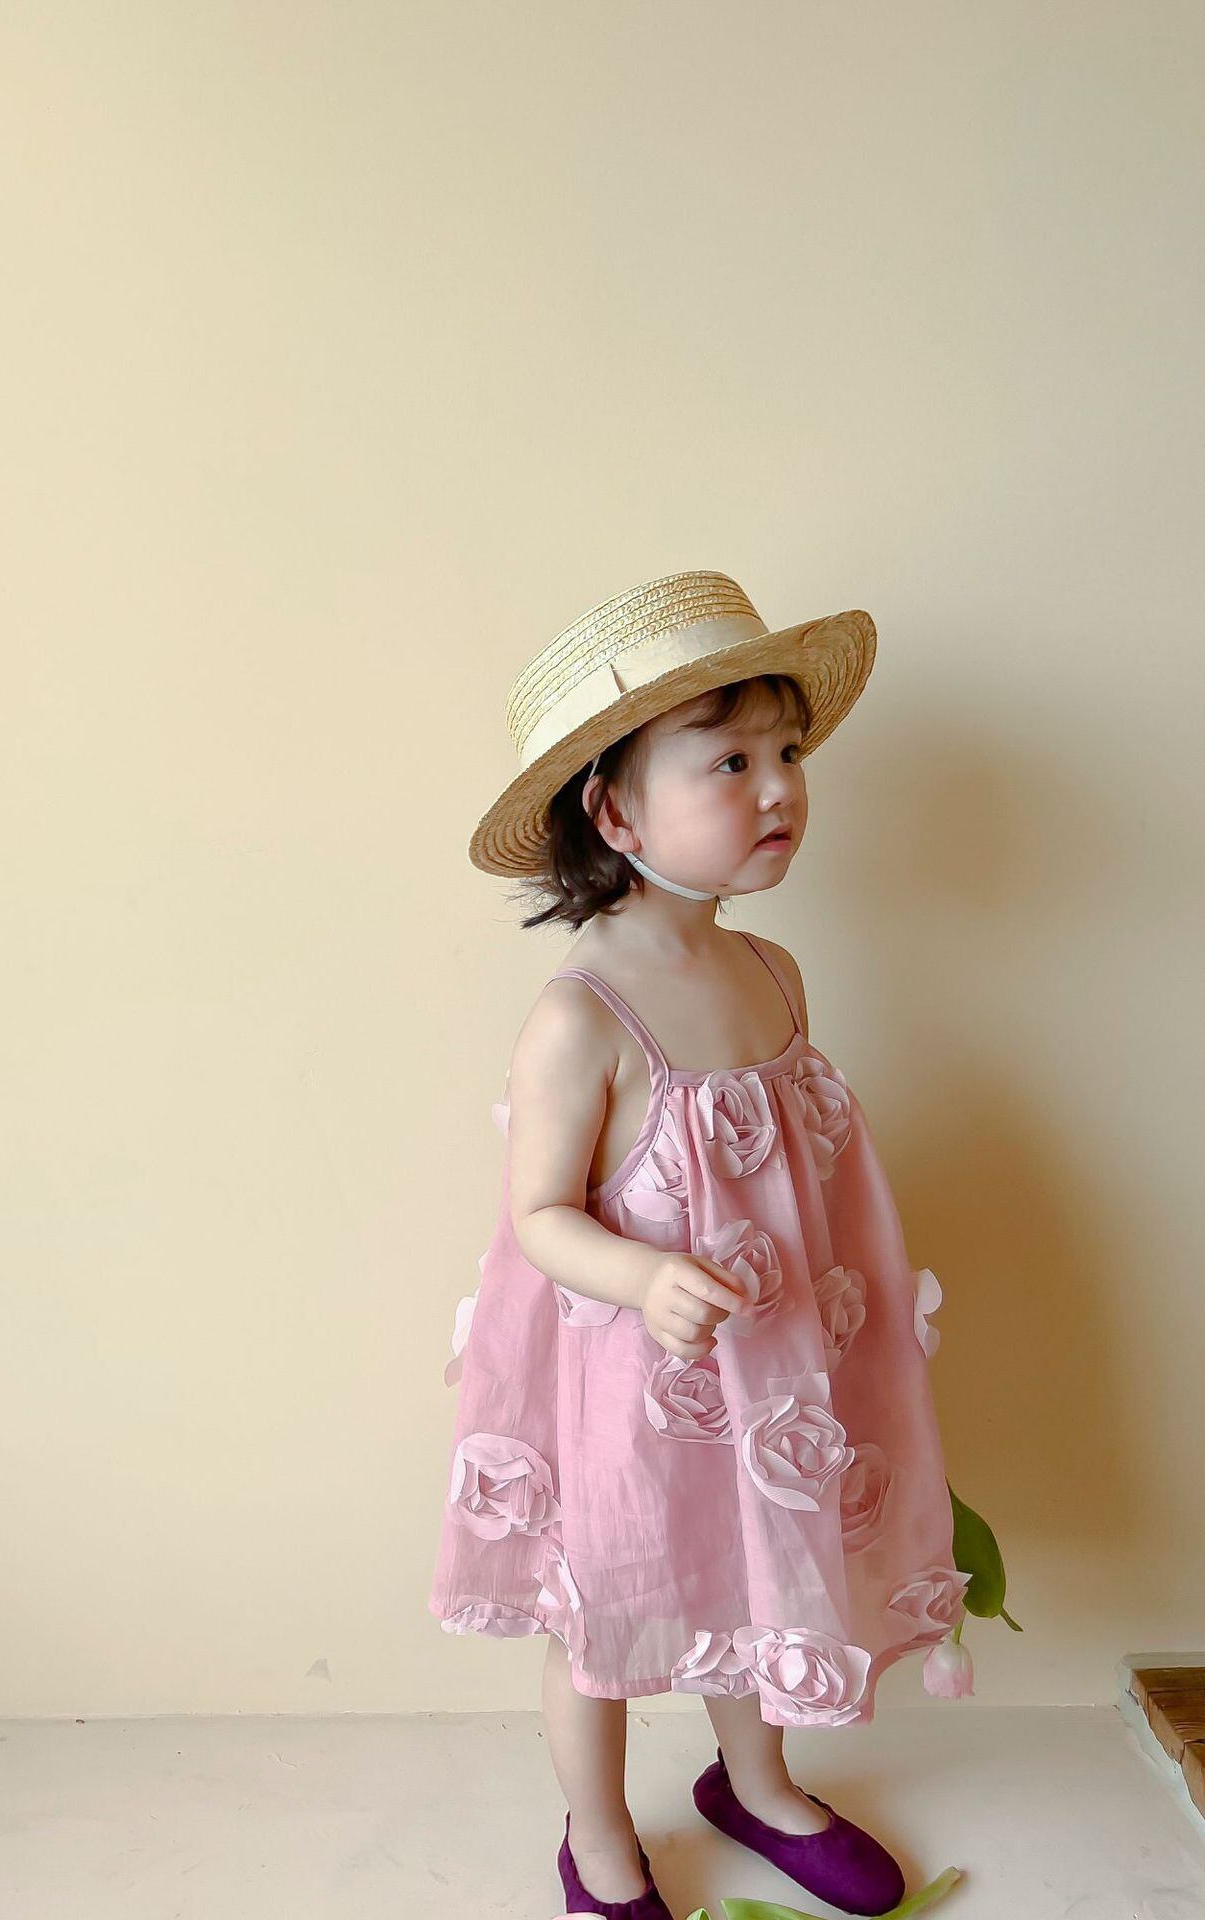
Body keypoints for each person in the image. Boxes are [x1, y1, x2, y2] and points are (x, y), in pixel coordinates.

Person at [428, 572, 967, 1920]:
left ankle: (755, 1780)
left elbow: (787, 1171)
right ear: (615, 815)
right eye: (730, 761)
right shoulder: (583, 1016)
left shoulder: (774, 975)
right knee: (603, 1615)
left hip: (768, 1368)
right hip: (632, 1390)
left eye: (788, 752)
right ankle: (599, 1831)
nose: (780, 787)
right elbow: (542, 1214)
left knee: (758, 1564)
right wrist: (646, 1274)